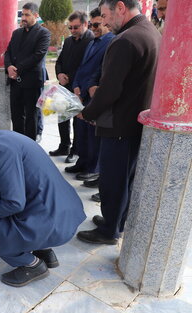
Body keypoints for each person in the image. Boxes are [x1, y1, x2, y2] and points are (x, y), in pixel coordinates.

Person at [0, 120, 86, 287]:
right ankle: (44, 251)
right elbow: (3, 189)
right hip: (61, 212)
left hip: (51, 221)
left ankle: (32, 265)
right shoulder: (4, 138)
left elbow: (13, 203)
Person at [76, 0, 161, 245]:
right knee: (125, 179)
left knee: (113, 180)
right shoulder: (151, 32)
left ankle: (109, 231)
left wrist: (88, 112)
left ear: (120, 7)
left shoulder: (125, 40)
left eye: (105, 15)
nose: (103, 21)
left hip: (119, 124)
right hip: (135, 122)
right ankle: (116, 221)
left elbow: (110, 90)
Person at [72, 8, 115, 194]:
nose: (94, 28)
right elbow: (83, 68)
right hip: (81, 92)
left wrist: (90, 87)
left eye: (97, 24)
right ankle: (82, 163)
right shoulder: (92, 42)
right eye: (92, 25)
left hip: (95, 95)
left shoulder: (111, 42)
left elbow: (101, 71)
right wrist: (76, 85)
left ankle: (92, 169)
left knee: (93, 136)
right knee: (81, 132)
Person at [50, 11, 94, 162]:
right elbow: (59, 61)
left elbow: (88, 68)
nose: (73, 30)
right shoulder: (68, 41)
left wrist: (76, 83)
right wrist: (60, 74)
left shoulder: (91, 41)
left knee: (78, 122)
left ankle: (76, 150)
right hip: (64, 87)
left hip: (80, 89)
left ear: (85, 24)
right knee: (62, 118)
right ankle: (64, 145)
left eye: (76, 27)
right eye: (71, 28)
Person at [4, 2, 50, 141]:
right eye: (22, 14)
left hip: (32, 82)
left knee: (31, 117)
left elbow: (38, 55)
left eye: (26, 15)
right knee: (16, 116)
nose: (23, 18)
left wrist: (18, 69)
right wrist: (9, 67)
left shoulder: (44, 33)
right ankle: (18, 143)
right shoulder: (16, 33)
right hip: (15, 82)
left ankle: (30, 146)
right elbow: (8, 52)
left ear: (35, 15)